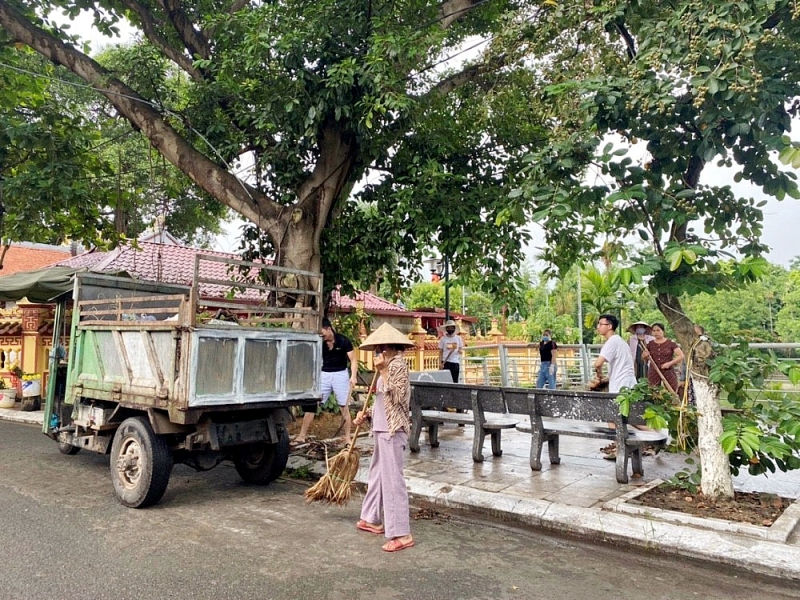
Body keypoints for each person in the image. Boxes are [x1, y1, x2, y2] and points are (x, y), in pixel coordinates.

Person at [353, 323, 415, 553]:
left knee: (392, 480)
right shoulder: (385, 367)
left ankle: (402, 533)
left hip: (393, 429)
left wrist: (384, 371)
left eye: (380, 348)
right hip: (380, 426)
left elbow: (400, 398)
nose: (377, 352)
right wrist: (366, 414)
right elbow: (382, 400)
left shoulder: (397, 365)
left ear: (388, 347)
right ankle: (371, 518)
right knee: (377, 475)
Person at [292, 317, 357, 445]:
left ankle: (348, 438)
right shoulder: (319, 342)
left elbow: (353, 360)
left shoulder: (343, 340)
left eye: (323, 333)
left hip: (340, 374)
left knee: (344, 407)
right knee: (312, 404)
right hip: (324, 374)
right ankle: (302, 435)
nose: (322, 335)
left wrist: (353, 376)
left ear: (329, 329)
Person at [642, 323, 684, 393]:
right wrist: (644, 356)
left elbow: (681, 356)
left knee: (672, 392)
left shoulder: (670, 343)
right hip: (654, 371)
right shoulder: (650, 344)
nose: (656, 333)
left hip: (668, 371)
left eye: (658, 330)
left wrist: (669, 364)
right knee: (653, 392)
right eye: (654, 331)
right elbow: (644, 358)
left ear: (663, 331)